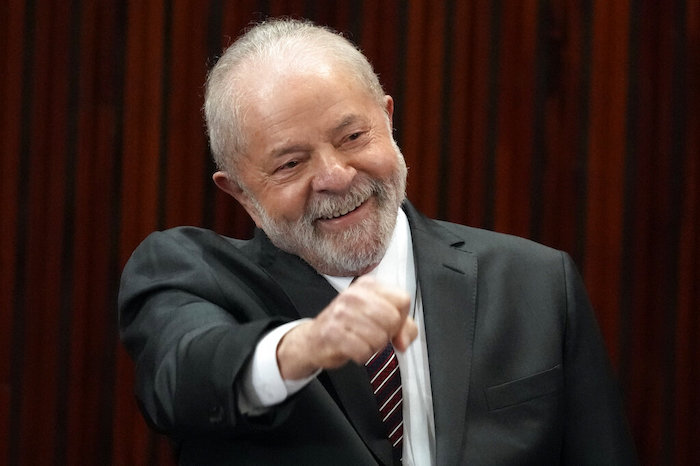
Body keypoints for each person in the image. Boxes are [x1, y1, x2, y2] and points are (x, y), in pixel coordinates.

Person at [118, 18, 637, 465]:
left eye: (353, 137)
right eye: (291, 164)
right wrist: (302, 346)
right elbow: (180, 379)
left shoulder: (537, 282)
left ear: (387, 121)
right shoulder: (193, 278)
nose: (336, 176)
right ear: (239, 191)